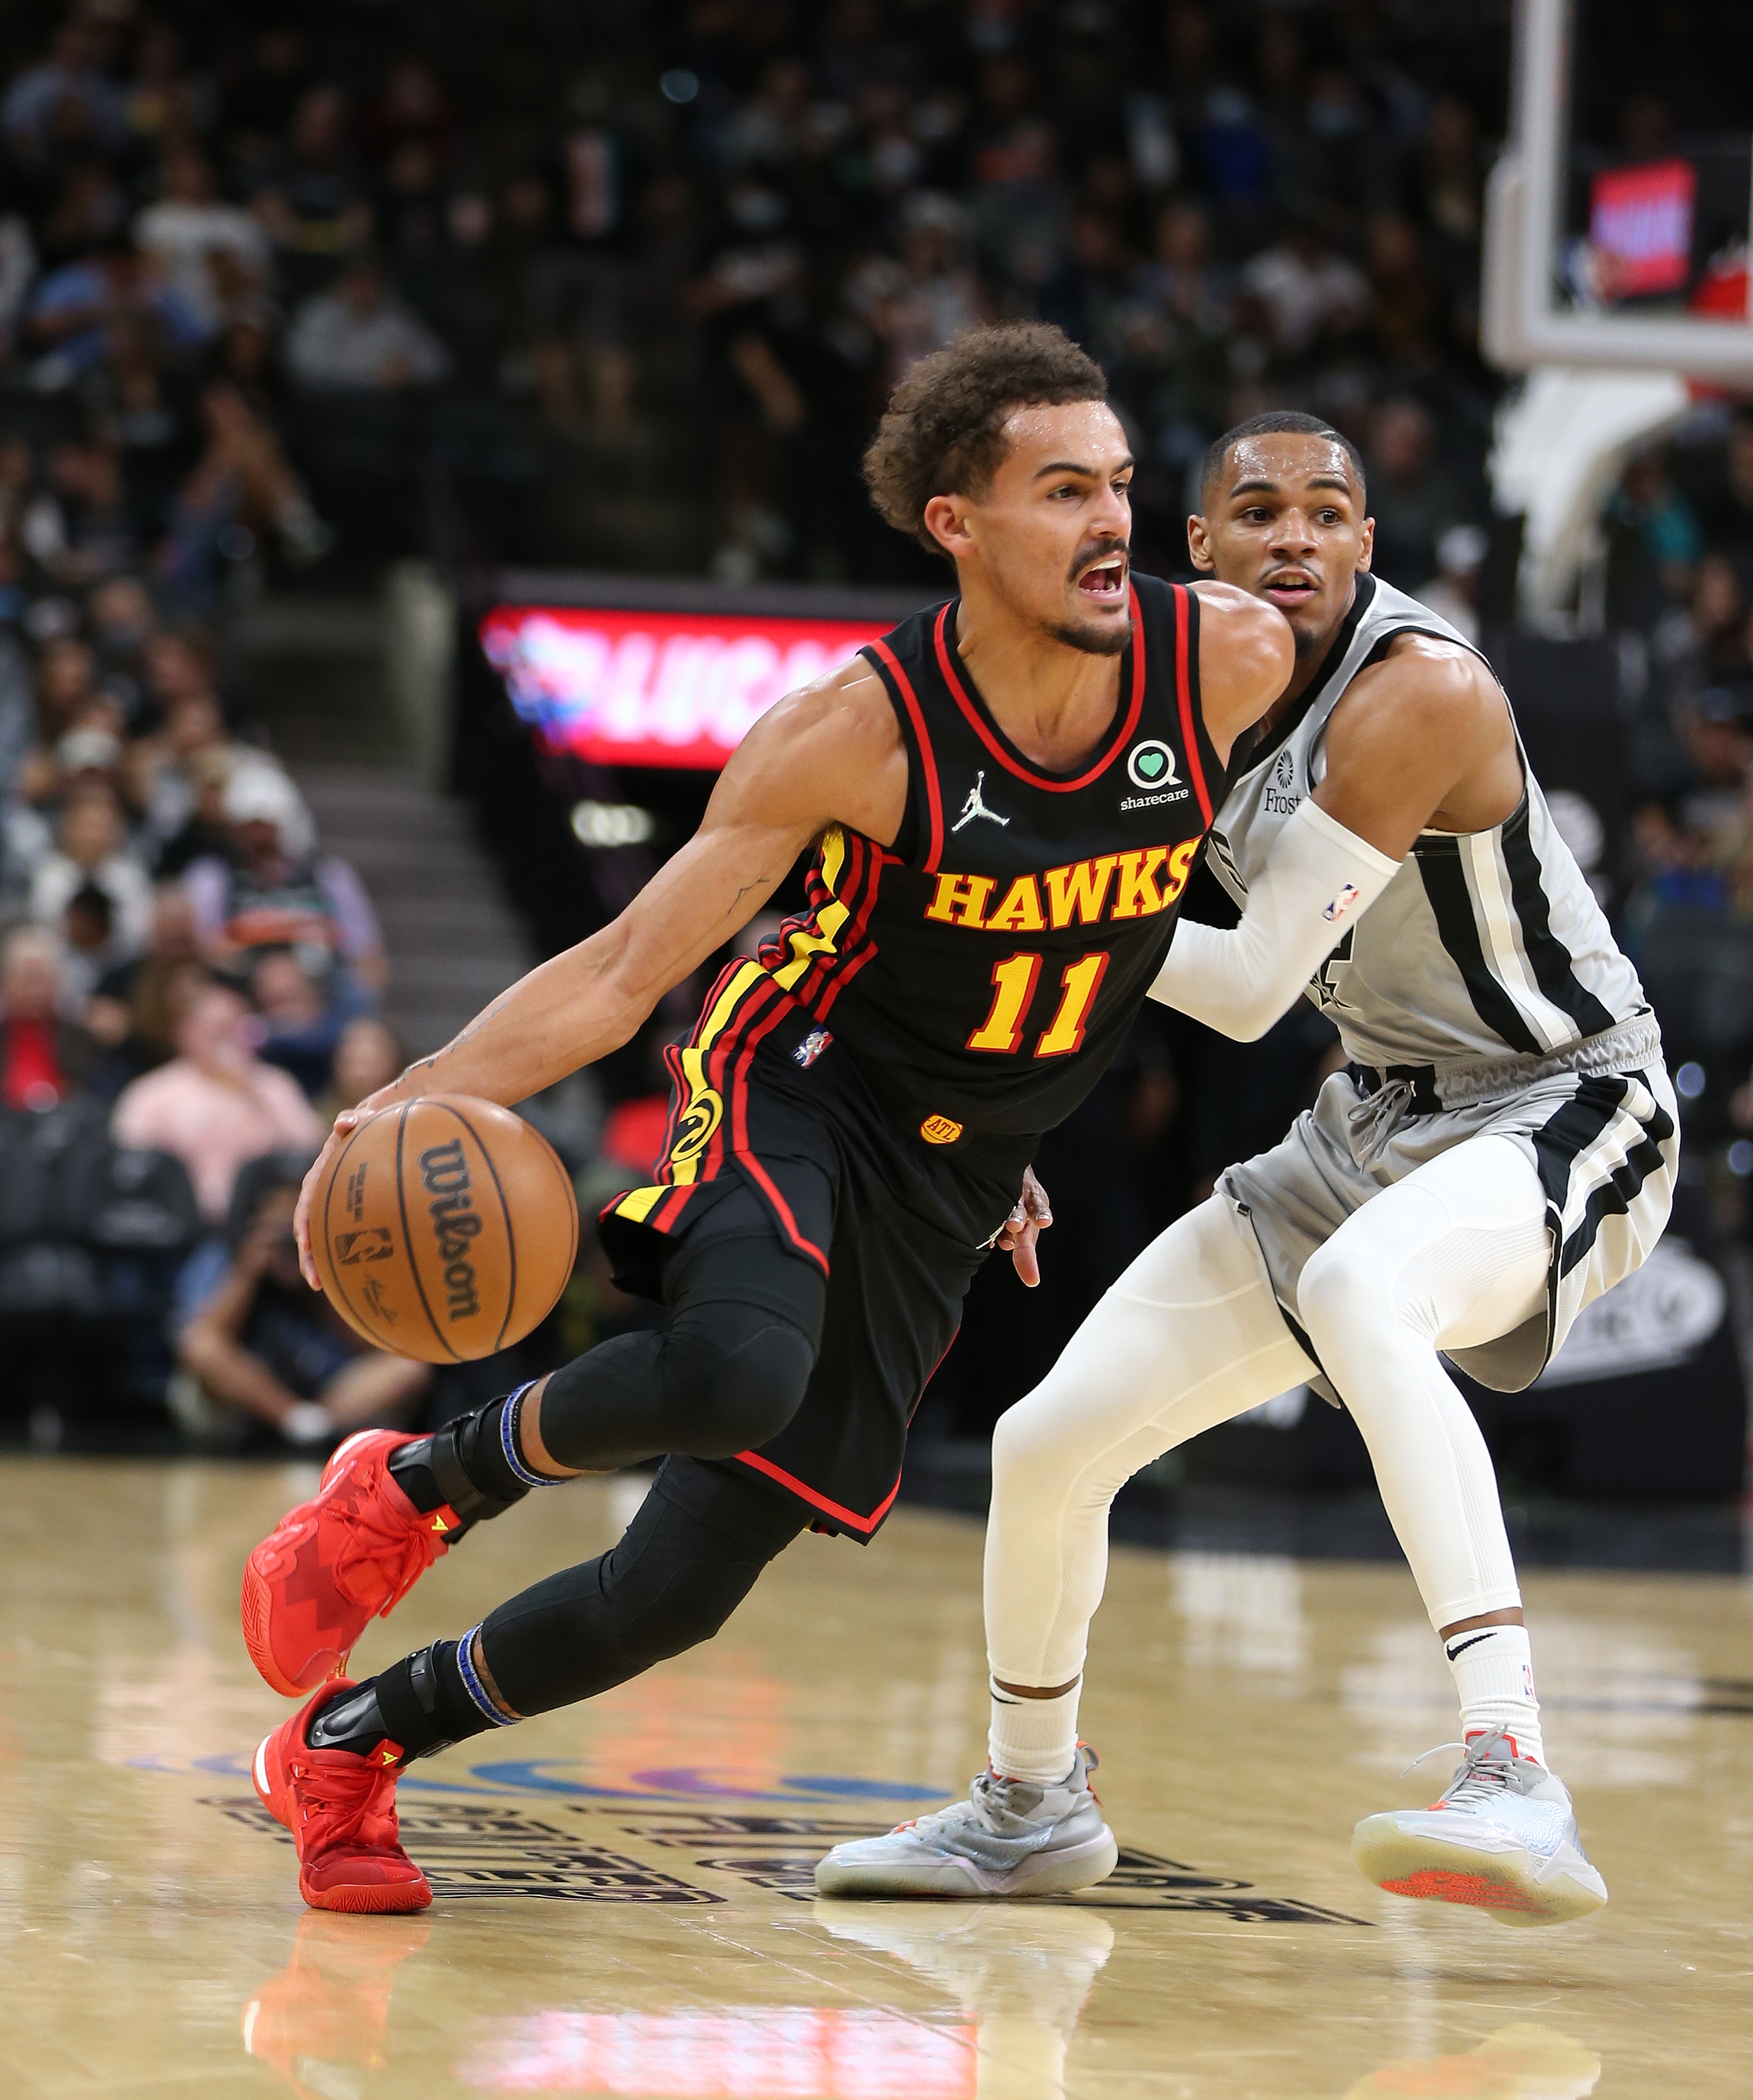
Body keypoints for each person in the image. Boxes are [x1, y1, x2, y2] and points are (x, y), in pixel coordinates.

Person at [241, 320, 1294, 1913]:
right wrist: (397, 1105)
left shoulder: (1223, 662)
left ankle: (351, 1742)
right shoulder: (854, 732)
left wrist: (1005, 1140)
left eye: (1120, 484)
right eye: (1063, 490)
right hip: (798, 1080)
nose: (1110, 522)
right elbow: (620, 974)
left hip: (954, 1168)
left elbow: (1121, 926)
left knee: (671, 1595)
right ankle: (415, 1487)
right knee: (738, 1367)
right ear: (955, 523)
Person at [817, 412, 1677, 1926]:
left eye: (1328, 512)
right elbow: (1091, 947)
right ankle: (1029, 1802)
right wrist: (1003, 1114)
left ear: (1364, 545)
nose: (1295, 536)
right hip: (1368, 1122)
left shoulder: (1417, 691)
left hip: (1559, 1094)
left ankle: (1513, 1767)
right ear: (1197, 546)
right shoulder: (1166, 687)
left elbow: (1241, 985)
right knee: (1045, 1441)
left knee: (1361, 1289)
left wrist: (1030, 885)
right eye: (1260, 510)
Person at [177, 1154, 430, 1449]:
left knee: (408, 1366)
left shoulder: (346, 1255)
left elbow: (377, 1342)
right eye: (284, 1229)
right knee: (202, 1347)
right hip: (248, 1401)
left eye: (299, 1226)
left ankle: (315, 1428)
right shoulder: (225, 1255)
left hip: (333, 1399)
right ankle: (296, 1422)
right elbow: (200, 1341)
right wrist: (250, 1272)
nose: (291, 1238)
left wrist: (322, 1278)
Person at [111, 980, 324, 1227]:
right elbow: (129, 1157)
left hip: (260, 1221)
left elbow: (312, 1147)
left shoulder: (273, 1085)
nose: (222, 1039)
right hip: (178, 1224)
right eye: (212, 1029)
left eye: (231, 1028)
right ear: (184, 1032)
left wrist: (253, 1091)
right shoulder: (153, 1091)